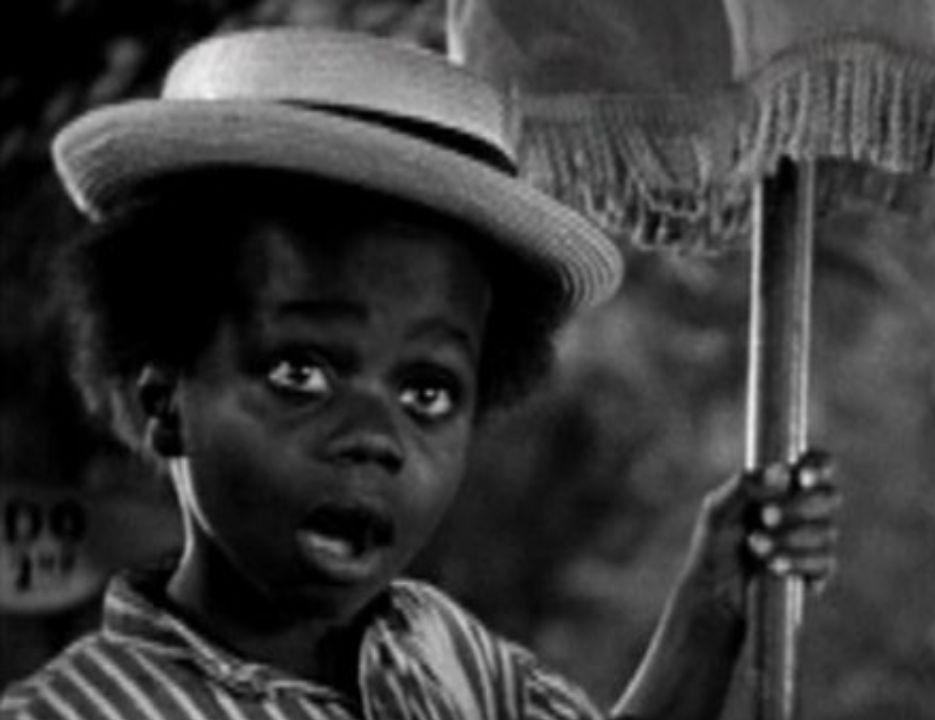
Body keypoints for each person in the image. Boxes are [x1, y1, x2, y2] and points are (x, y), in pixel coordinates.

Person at [0, 27, 840, 720]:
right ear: (164, 400)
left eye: (427, 392)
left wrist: (710, 607)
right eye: (301, 373)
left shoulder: (444, 652)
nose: (375, 438)